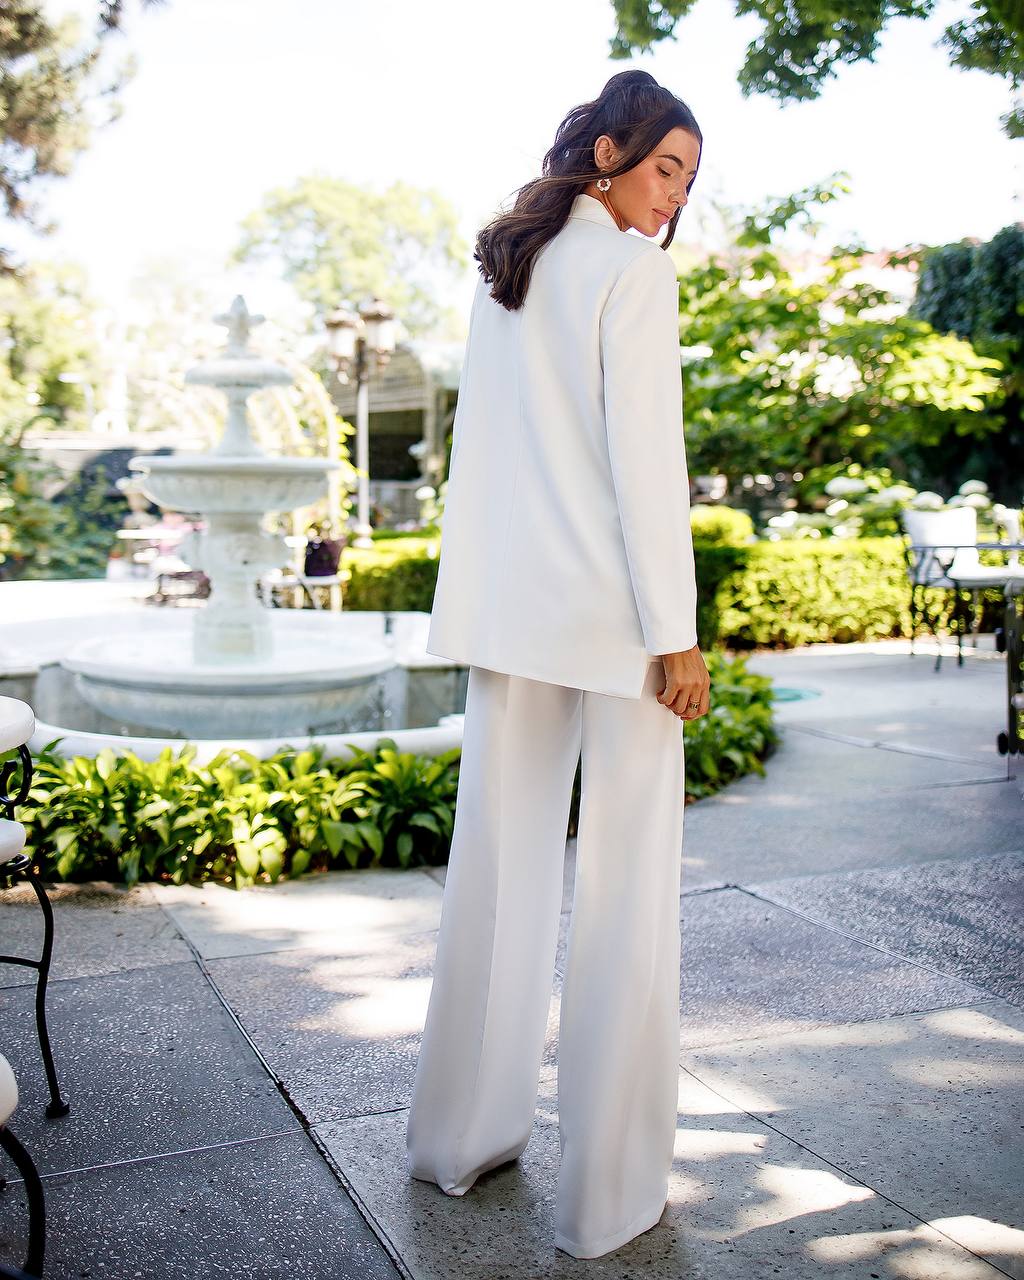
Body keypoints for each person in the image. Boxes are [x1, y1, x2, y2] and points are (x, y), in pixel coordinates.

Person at [406, 69, 710, 1260]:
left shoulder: (507, 280)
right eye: (665, 166)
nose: (672, 197)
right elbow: (648, 468)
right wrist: (674, 634)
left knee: (493, 875)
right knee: (629, 895)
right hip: (617, 624)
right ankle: (611, 1192)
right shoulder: (630, 274)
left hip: (511, 616)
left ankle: (457, 1138)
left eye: (687, 178)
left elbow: (482, 461)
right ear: (607, 155)